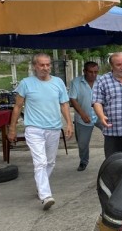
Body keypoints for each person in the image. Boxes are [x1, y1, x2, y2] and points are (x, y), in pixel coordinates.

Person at [7, 53, 74, 210]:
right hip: (34, 129)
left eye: (47, 65)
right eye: (42, 65)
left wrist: (69, 124)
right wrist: (12, 127)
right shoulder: (26, 83)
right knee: (40, 162)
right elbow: (17, 106)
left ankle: (41, 185)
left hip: (54, 128)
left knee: (50, 161)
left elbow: (64, 104)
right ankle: (45, 196)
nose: (45, 68)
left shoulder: (58, 83)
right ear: (34, 66)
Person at [69, 61, 103, 171]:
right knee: (82, 143)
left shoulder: (103, 80)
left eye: (96, 72)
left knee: (113, 136)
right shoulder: (76, 82)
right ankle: (83, 161)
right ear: (84, 71)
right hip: (83, 117)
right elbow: (73, 99)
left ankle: (115, 160)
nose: (93, 74)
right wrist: (82, 114)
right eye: (91, 72)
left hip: (101, 116)